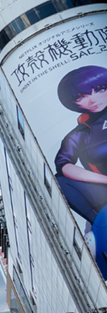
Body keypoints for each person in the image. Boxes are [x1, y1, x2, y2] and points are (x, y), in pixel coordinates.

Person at [55, 65, 107, 278]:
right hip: (102, 198)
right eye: (82, 96)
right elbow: (64, 166)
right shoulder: (78, 134)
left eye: (100, 88)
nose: (93, 99)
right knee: (61, 181)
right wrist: (104, 180)